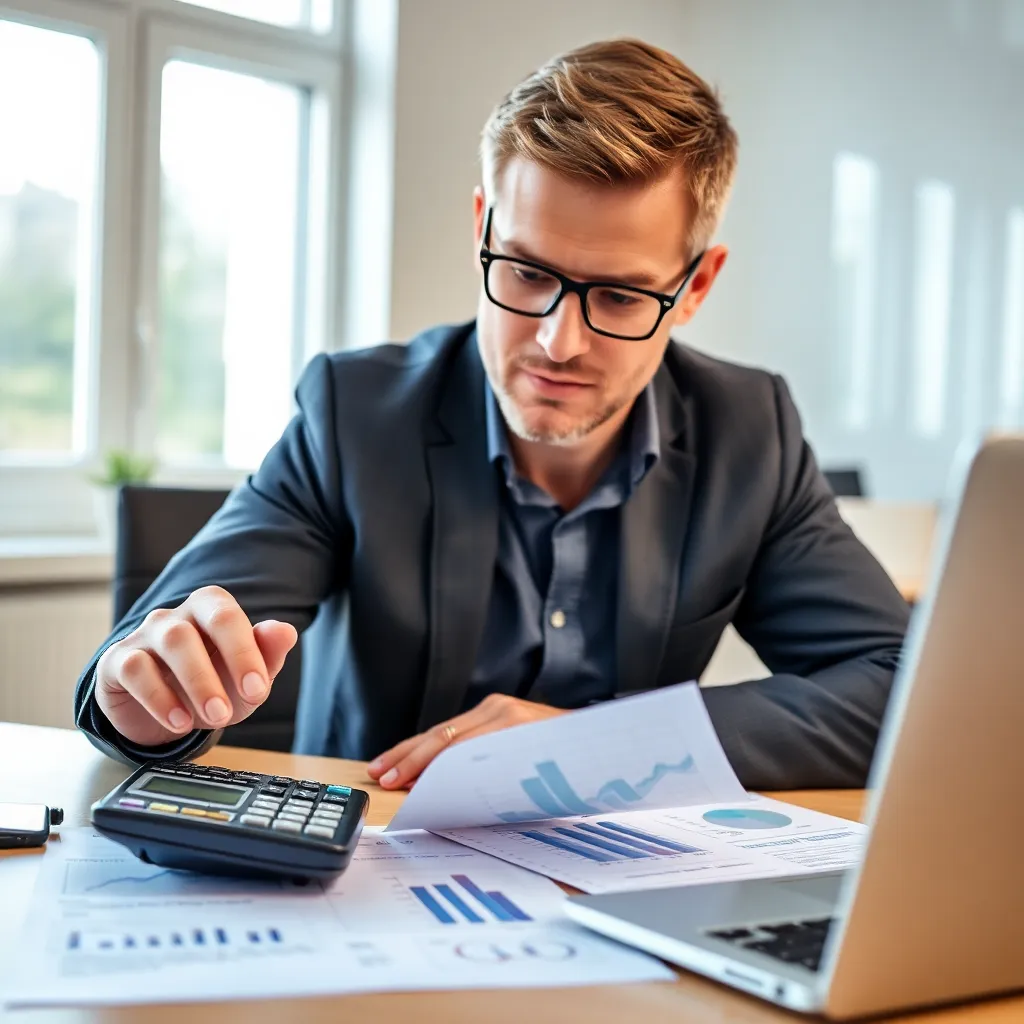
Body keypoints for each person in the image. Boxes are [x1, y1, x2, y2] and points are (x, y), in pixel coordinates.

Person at [74, 38, 909, 791]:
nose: (558, 341)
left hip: (618, 887)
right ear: (483, 227)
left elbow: (897, 689)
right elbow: (146, 663)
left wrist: (596, 743)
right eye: (527, 273)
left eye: (620, 296)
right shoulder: (355, 415)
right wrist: (145, 697)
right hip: (373, 865)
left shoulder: (748, 432)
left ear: (695, 286)